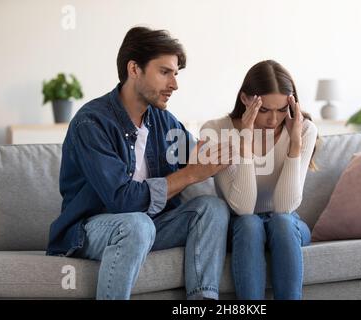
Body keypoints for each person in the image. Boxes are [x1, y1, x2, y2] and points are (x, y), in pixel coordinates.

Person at [46, 26, 232, 300]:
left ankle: (203, 302)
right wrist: (191, 174)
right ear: (134, 69)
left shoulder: (164, 121)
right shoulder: (92, 123)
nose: (175, 84)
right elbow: (121, 200)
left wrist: (241, 139)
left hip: (149, 225)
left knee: (210, 209)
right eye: (165, 72)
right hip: (92, 229)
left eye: (176, 74)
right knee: (136, 224)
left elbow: (202, 158)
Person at [200, 60, 318, 300]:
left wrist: (295, 145)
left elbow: (285, 207)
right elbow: (243, 209)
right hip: (240, 226)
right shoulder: (216, 131)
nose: (273, 120)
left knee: (282, 222)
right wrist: (244, 143)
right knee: (251, 224)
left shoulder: (303, 129)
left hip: (287, 225)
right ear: (245, 99)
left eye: (282, 109)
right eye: (264, 110)